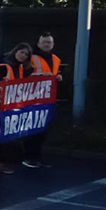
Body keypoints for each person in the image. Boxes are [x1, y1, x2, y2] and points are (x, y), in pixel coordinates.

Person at [24, 31, 63, 169]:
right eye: (44, 42)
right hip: (32, 98)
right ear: (38, 43)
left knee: (42, 130)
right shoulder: (31, 58)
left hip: (47, 99)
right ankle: (29, 157)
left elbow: (53, 73)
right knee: (32, 130)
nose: (47, 44)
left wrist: (58, 77)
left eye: (49, 42)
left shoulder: (56, 59)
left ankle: (36, 157)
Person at [0, 42, 34, 173]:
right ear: (15, 51)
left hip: (11, 106)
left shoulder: (20, 68)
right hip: (1, 106)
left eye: (26, 54)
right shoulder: (4, 66)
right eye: (21, 52)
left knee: (7, 134)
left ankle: (1, 161)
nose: (23, 55)